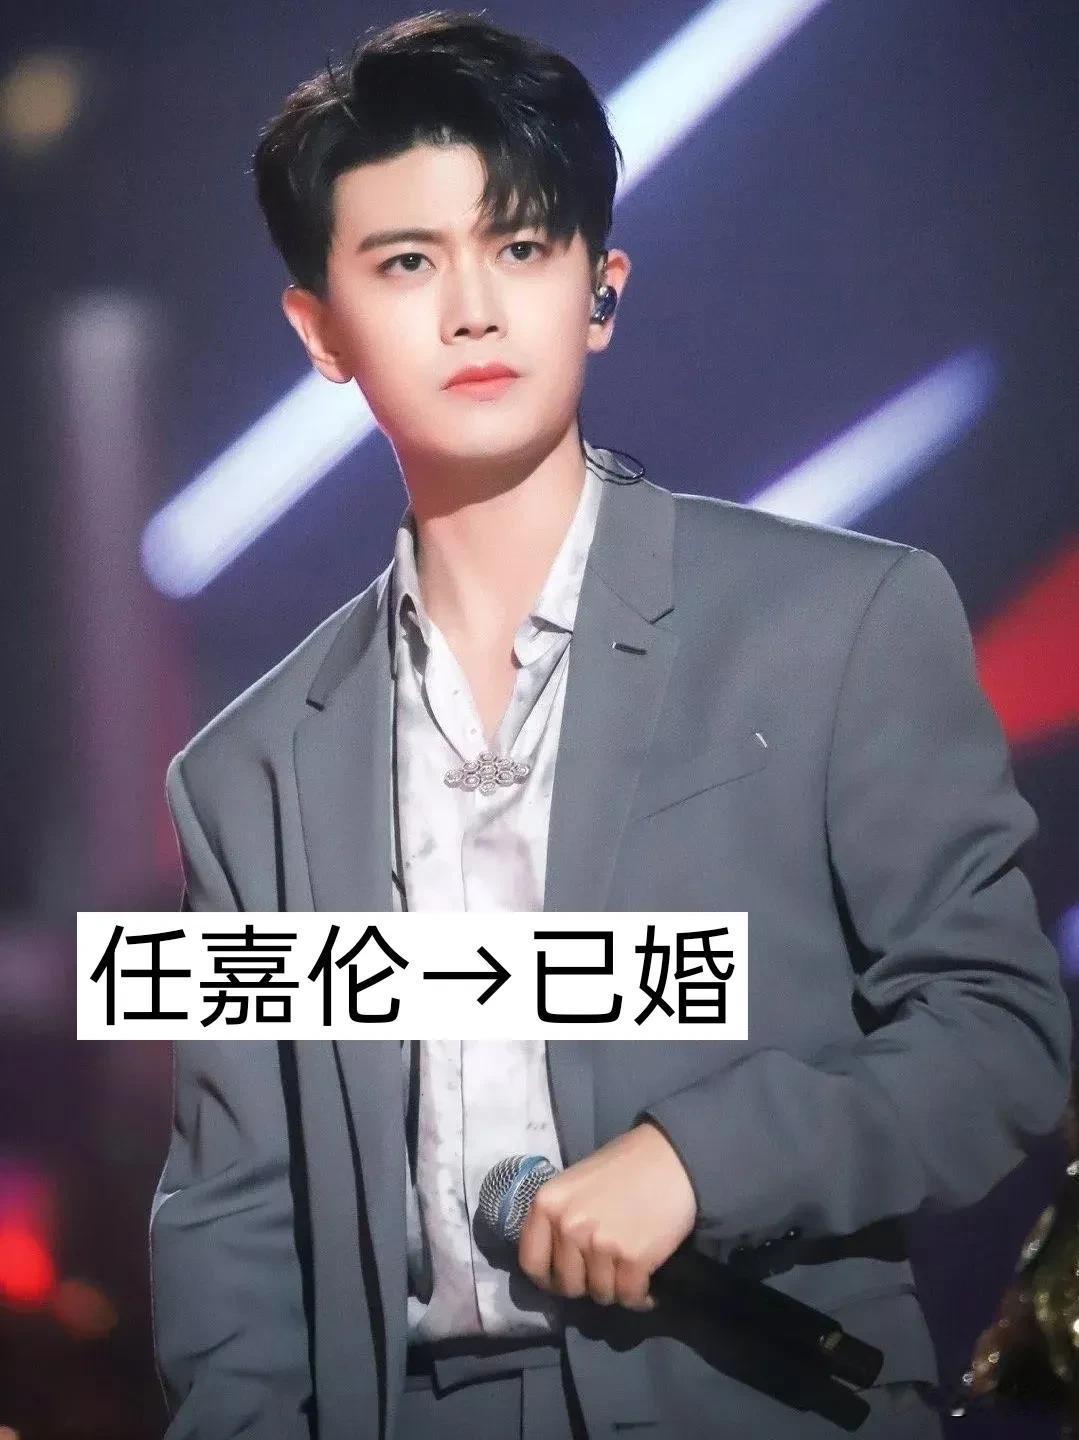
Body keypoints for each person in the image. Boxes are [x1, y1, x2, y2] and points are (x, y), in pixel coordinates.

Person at [149, 11, 1073, 1439]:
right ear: (320, 330)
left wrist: (699, 1163)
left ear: (601, 290)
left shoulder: (837, 623)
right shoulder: (249, 775)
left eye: (521, 247)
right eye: (407, 263)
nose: (473, 309)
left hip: (756, 1400)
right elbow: (236, 1217)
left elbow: (996, 1035)